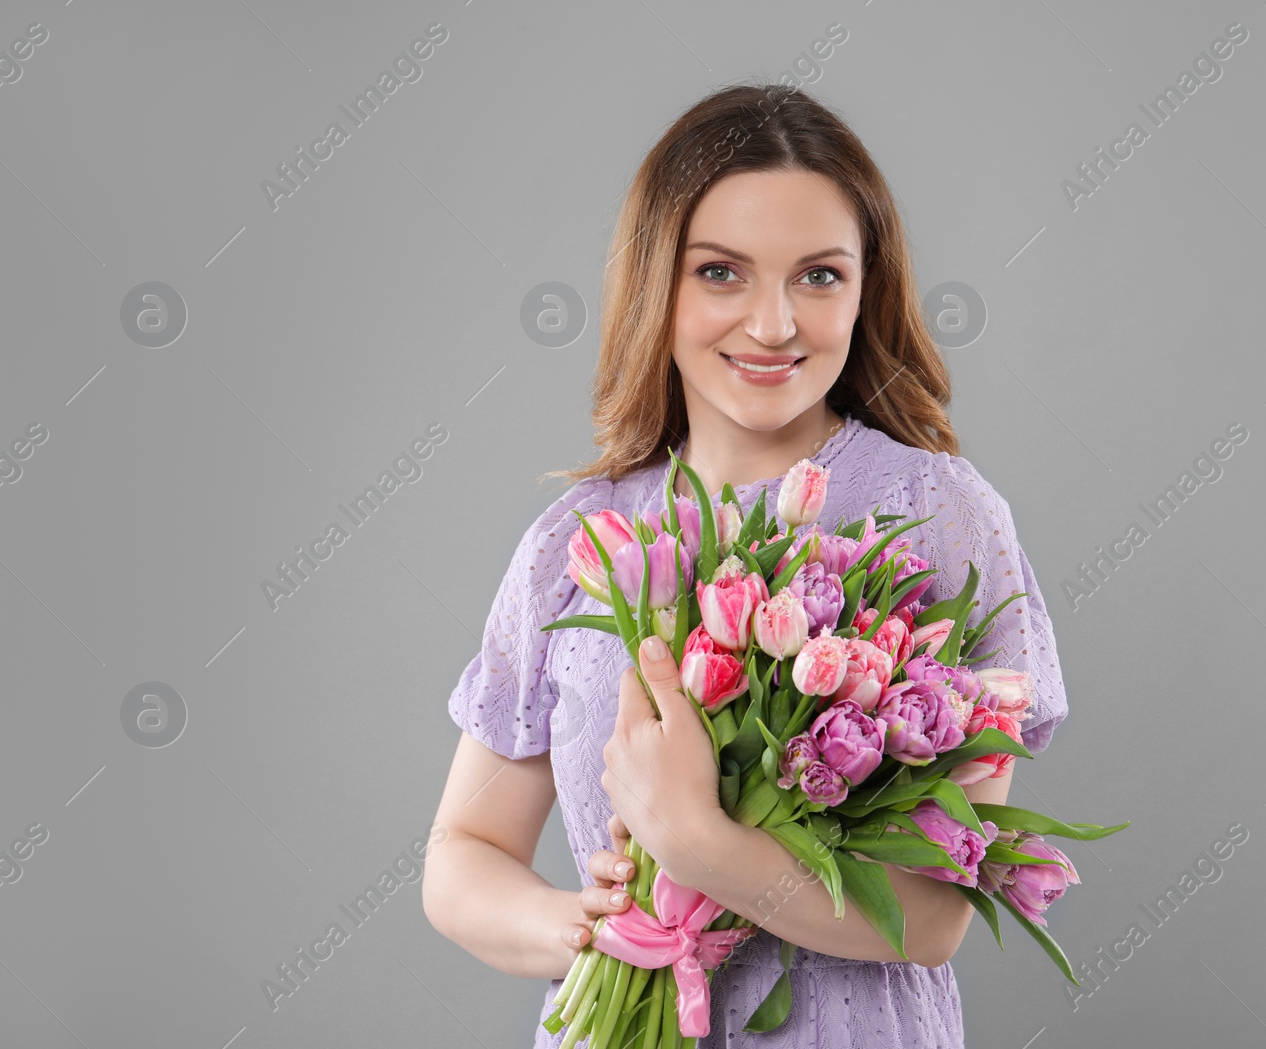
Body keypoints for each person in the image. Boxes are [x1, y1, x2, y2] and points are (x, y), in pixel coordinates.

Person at [422, 82, 1069, 1047]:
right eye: (721, 272)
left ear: (866, 288)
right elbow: (462, 854)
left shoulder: (938, 513)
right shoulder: (580, 540)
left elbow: (932, 921)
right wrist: (587, 926)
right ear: (656, 282)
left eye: (819, 276)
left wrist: (699, 847)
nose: (773, 325)